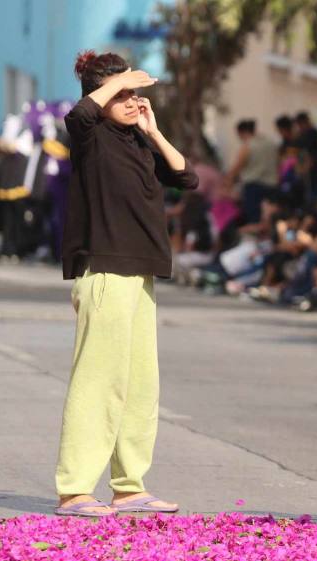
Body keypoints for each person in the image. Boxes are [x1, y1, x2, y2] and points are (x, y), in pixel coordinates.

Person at [56, 51, 199, 517]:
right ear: (104, 96)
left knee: (140, 387)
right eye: (126, 94)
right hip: (105, 271)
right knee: (99, 384)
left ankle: (129, 485)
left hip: (139, 274)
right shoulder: (92, 136)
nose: (135, 100)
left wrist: (152, 129)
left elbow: (186, 177)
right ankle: (75, 489)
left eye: (138, 94)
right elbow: (76, 115)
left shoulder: (135, 142)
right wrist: (114, 85)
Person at [225, 119, 278, 225]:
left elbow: (236, 168)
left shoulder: (248, 146)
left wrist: (228, 184)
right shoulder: (271, 144)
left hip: (254, 187)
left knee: (254, 219)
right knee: (271, 218)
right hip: (272, 186)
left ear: (242, 132)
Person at [295, 112, 317, 206]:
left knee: (313, 195)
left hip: (313, 169)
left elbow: (316, 152)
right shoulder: (303, 135)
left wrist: (310, 162)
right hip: (307, 169)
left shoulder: (313, 134)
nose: (299, 127)